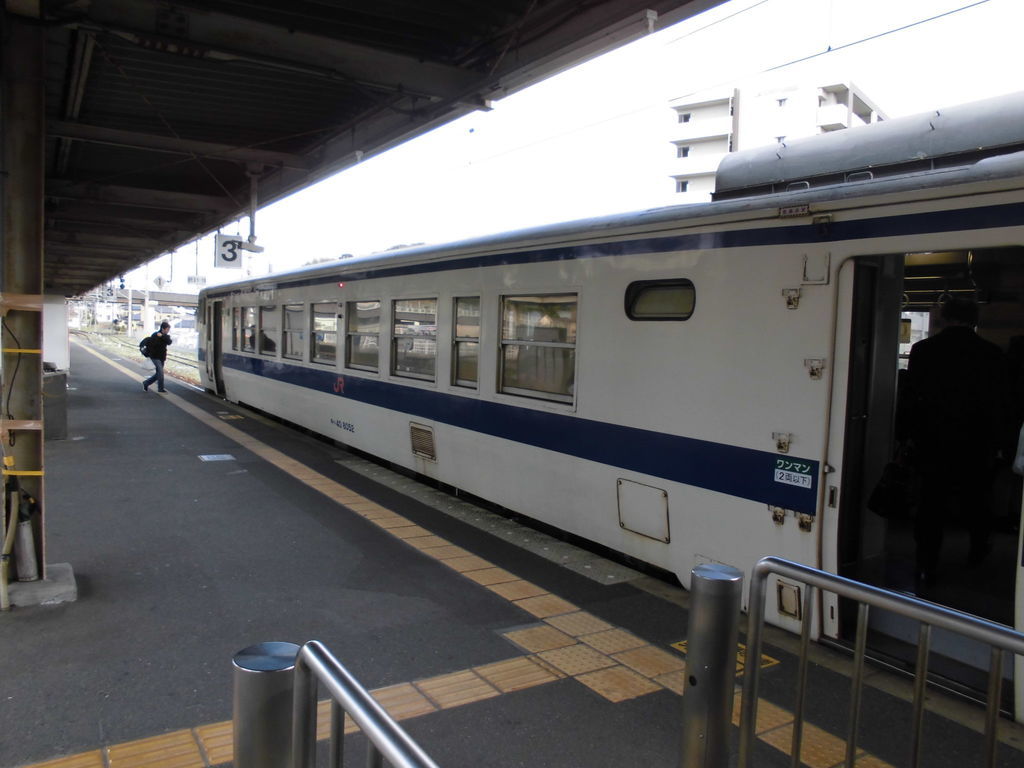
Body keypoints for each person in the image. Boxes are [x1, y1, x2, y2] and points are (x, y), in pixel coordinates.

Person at [903, 296, 1010, 586]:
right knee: (976, 499)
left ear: (944, 318)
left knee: (931, 504)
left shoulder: (923, 350)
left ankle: (926, 563)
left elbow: (914, 399)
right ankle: (977, 550)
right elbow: (1000, 403)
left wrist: (911, 436)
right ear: (974, 320)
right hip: (977, 442)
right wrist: (999, 443)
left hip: (933, 440)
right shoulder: (991, 354)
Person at [142, 321, 173, 393]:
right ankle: (160, 388)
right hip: (155, 357)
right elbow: (152, 345)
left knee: (158, 374)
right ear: (163, 328)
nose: (168, 331)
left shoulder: (166, 336)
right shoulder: (155, 335)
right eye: (167, 329)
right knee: (161, 373)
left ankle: (146, 383)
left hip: (162, 357)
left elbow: (169, 342)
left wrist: (162, 336)